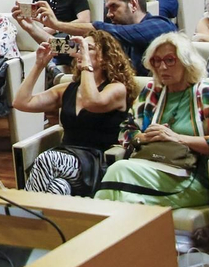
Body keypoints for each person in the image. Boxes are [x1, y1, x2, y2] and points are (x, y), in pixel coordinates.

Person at [94, 34, 209, 209]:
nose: (162, 67)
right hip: (146, 168)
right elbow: (126, 130)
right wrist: (142, 138)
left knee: (118, 170)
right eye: (156, 61)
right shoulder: (151, 91)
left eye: (170, 60)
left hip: (189, 179)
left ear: (186, 62)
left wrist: (177, 138)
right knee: (126, 201)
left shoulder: (205, 92)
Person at [13, 33, 138, 196]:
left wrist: (86, 64)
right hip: (65, 159)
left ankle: (21, 215)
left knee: (47, 159)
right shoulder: (67, 89)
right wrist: (39, 65)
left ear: (106, 58)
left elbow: (91, 102)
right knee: (58, 187)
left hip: (95, 163)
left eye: (89, 48)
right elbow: (21, 102)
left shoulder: (116, 88)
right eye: (80, 47)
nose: (81, 52)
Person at [25, 0, 175, 74]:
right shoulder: (113, 33)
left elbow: (118, 32)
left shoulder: (161, 26)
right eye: (107, 8)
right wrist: (31, 28)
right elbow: (66, 47)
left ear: (134, 4)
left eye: (114, 7)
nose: (109, 14)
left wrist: (57, 24)